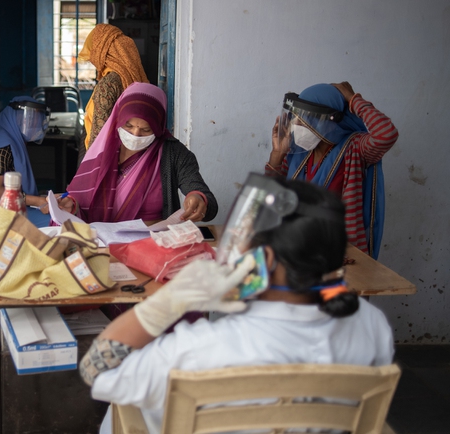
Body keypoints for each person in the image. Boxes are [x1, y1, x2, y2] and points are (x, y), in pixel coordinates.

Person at [79, 175, 394, 434]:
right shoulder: (372, 324)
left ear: (265, 259)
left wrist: (166, 303)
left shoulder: (200, 349)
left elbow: (96, 368)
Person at [265, 81, 398, 257]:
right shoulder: (299, 153)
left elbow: (386, 135)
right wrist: (277, 154)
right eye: (296, 118)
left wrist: (353, 99)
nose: (296, 125)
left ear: (326, 121)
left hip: (341, 253)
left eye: (304, 120)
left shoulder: (355, 148)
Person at [62, 82, 217, 224]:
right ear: (118, 119)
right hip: (101, 243)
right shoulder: (102, 151)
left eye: (146, 129)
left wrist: (198, 198)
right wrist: (71, 206)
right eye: (128, 126)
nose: (135, 134)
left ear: (158, 127)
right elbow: (80, 201)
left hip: (152, 242)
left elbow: (206, 199)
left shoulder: (174, 154)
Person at [0, 96, 52, 229]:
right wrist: (37, 201)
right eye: (30, 120)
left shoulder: (11, 138)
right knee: (57, 222)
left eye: (36, 121)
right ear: (17, 118)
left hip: (9, 205)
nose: (34, 125)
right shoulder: (2, 145)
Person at [78, 24, 148, 157]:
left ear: (101, 52)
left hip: (104, 158)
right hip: (131, 156)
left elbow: (99, 135)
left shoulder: (108, 84)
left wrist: (91, 169)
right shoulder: (133, 78)